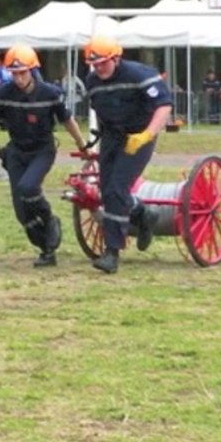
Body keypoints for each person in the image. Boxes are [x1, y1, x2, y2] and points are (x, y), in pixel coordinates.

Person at [0, 44, 87, 267]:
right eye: (14, 73)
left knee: (28, 188)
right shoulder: (4, 93)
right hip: (16, 151)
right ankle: (46, 250)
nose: (18, 78)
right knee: (21, 211)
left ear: (33, 70)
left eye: (22, 73)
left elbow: (67, 120)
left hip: (42, 150)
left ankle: (50, 219)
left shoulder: (50, 94)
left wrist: (82, 145)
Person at [82, 35, 173, 274]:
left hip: (139, 137)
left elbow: (164, 106)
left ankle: (112, 252)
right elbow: (100, 110)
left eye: (103, 62)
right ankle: (144, 214)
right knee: (107, 189)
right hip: (112, 137)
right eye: (95, 64)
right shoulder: (92, 81)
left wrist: (147, 135)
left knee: (116, 190)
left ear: (116, 58)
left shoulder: (140, 75)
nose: (99, 68)